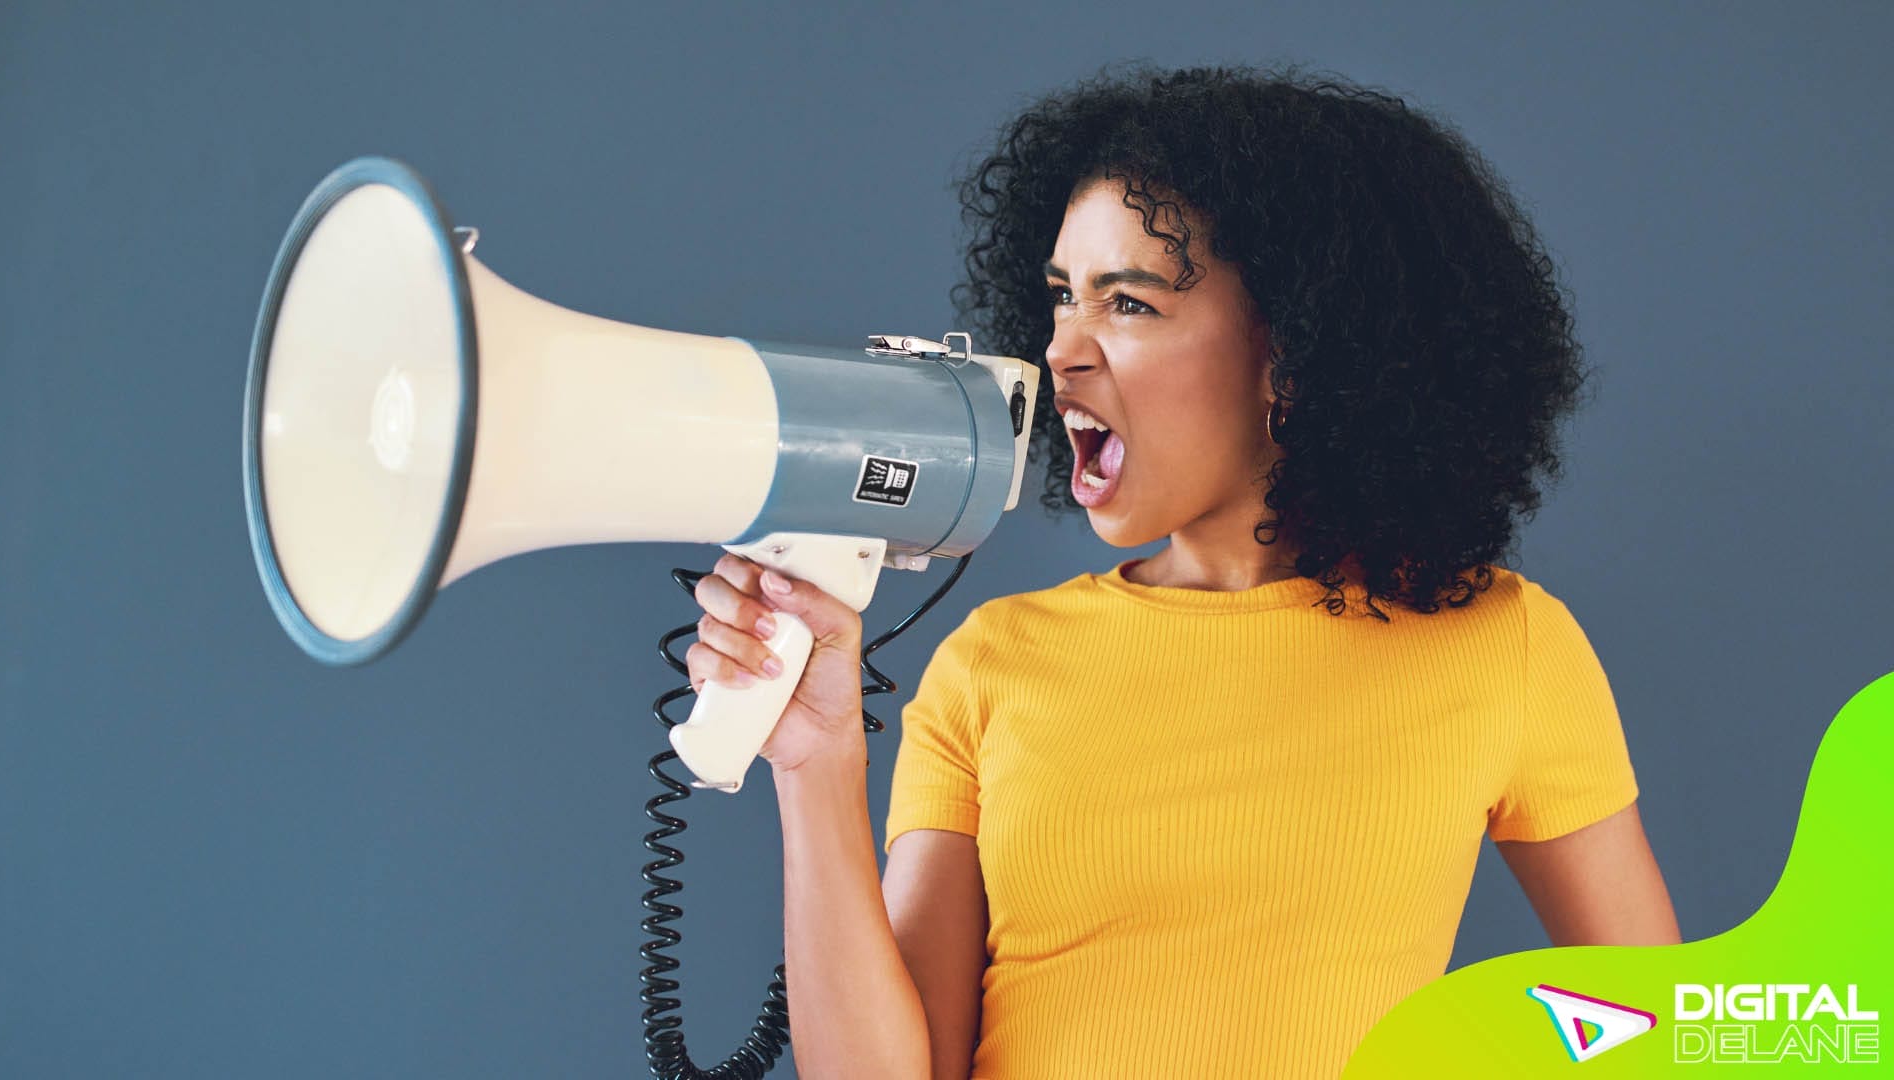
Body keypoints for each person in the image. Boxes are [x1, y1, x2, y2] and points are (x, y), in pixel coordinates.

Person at [685, 61, 1680, 1080]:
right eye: (1061, 298)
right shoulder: (993, 665)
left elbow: (1653, 1027)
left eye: (1129, 304)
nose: (1060, 352)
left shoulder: (1502, 644)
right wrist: (814, 767)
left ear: (1294, 354)